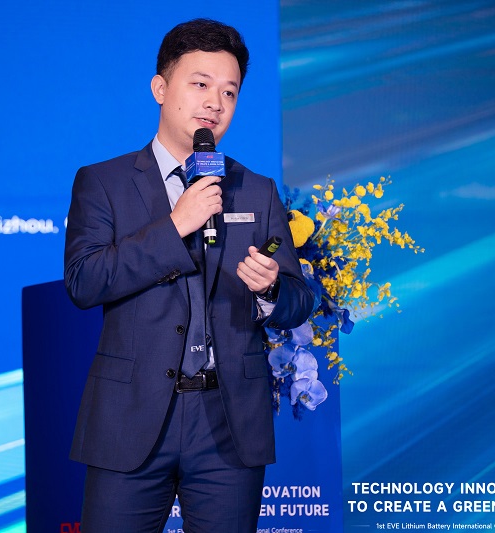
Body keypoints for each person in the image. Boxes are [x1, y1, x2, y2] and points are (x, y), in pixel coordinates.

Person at [64, 18, 315, 532]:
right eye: (200, 84)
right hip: (130, 415)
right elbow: (84, 281)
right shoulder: (104, 182)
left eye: (229, 92)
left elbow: (299, 301)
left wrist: (271, 288)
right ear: (160, 88)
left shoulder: (255, 189)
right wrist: (175, 226)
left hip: (228, 420)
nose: (214, 104)